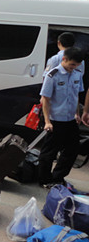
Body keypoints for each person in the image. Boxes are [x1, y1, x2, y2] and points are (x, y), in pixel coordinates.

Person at [38, 47, 86, 188]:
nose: (73, 67)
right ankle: (45, 180)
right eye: (72, 64)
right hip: (55, 119)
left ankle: (58, 177)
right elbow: (45, 99)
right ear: (64, 59)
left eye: (77, 65)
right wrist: (47, 121)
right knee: (49, 152)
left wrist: (77, 113)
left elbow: (76, 96)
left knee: (73, 149)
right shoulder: (53, 75)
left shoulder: (77, 74)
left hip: (70, 119)